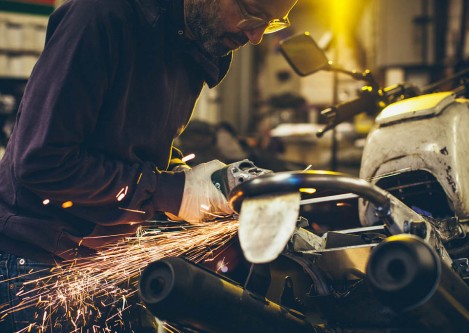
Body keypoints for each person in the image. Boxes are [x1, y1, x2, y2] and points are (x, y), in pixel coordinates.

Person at [0, 0, 298, 331]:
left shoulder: (196, 37)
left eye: (271, 23)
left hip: (111, 260)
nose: (256, 36)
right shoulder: (101, 16)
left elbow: (129, 147)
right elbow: (43, 162)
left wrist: (196, 181)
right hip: (40, 267)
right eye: (251, 12)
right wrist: (169, 191)